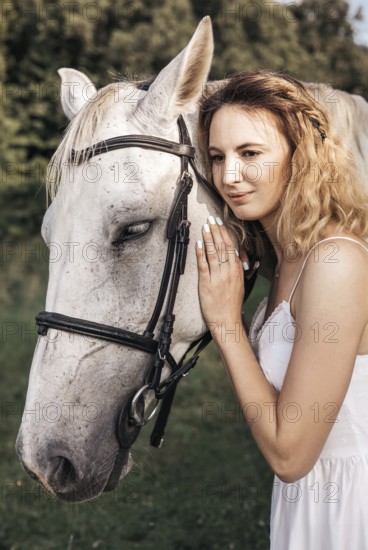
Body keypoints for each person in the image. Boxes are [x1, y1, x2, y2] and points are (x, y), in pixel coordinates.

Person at [195, 70, 368, 549]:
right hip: (304, 503)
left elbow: (290, 456)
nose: (228, 176)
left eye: (250, 153)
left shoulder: (334, 261)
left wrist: (228, 325)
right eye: (217, 157)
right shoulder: (287, 257)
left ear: (302, 155)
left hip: (348, 507)